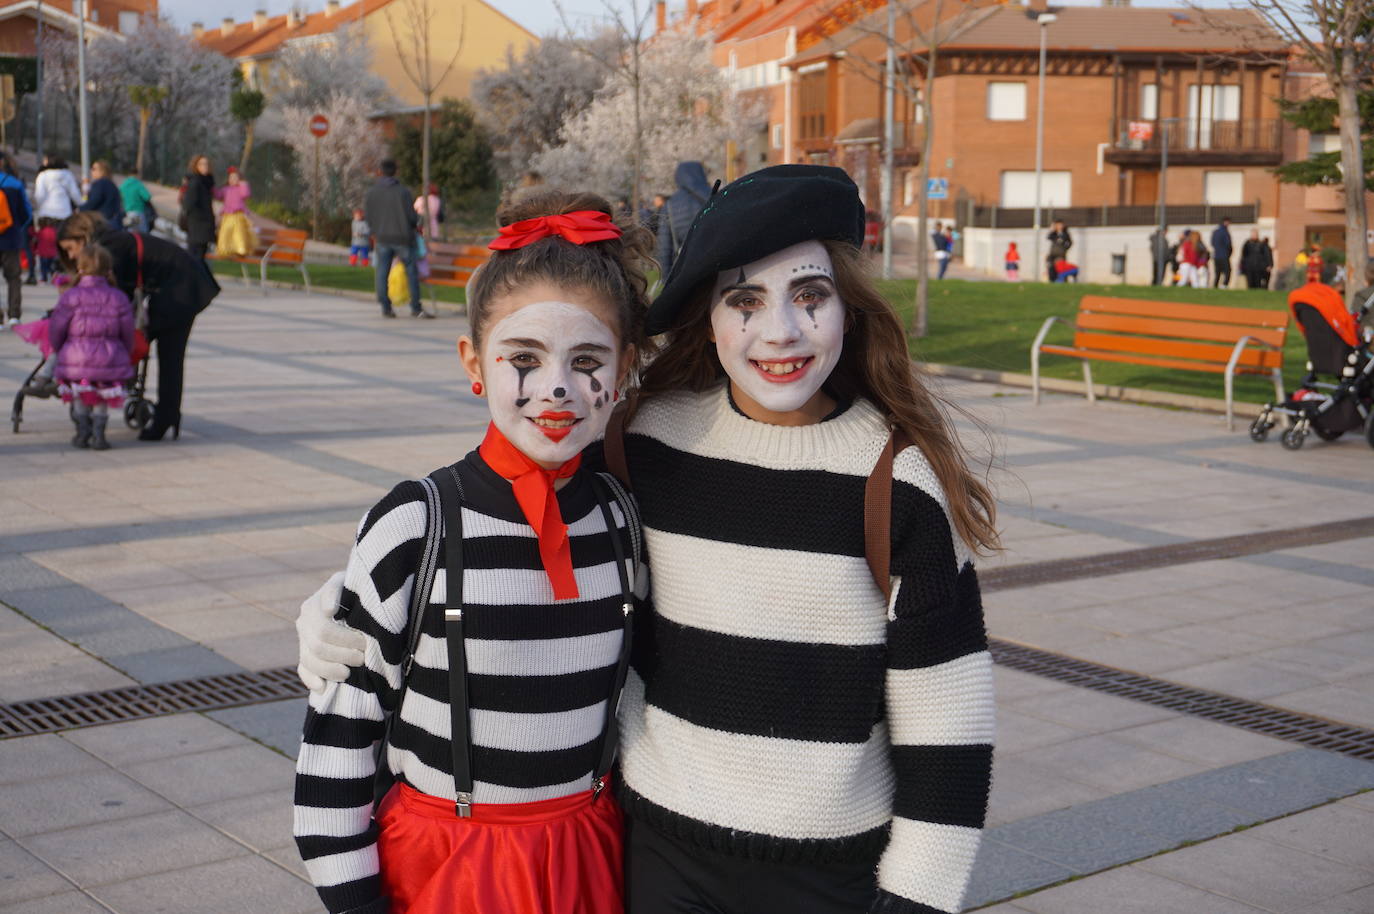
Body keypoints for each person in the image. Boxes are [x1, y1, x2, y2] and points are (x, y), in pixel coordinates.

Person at [299, 165, 998, 914]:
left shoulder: (898, 482)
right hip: (656, 857)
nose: (780, 332)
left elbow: (950, 721)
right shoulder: (647, 443)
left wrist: (919, 894)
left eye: (810, 296)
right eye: (745, 301)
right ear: (711, 318)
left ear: (847, 308)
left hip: (830, 872)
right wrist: (337, 606)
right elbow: (506, 495)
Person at [292, 190, 650, 914]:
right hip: (449, 867)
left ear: (625, 370)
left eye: (587, 360)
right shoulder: (415, 524)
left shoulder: (620, 518)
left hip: (588, 856)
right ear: (474, 362)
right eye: (524, 357)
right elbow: (335, 751)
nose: (556, 387)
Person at [57, 212, 220, 441]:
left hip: (181, 288)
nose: (71, 256)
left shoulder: (108, 247)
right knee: (160, 351)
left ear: (81, 237)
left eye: (71, 248)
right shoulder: (110, 241)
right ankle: (165, 411)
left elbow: (111, 297)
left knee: (165, 352)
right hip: (182, 283)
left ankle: (164, 413)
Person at [48, 244, 135, 450]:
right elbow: (128, 331)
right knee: (101, 396)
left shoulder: (70, 296)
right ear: (108, 270)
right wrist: (125, 350)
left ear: (79, 269)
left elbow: (57, 327)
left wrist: (59, 347)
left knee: (80, 393)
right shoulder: (118, 297)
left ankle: (82, 433)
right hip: (109, 355)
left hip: (75, 355)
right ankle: (99, 435)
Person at [365, 159, 427, 318]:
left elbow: (368, 216)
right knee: (411, 272)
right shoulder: (403, 192)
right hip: (403, 237)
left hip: (382, 237)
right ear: (396, 171)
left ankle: (385, 306)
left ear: (380, 171)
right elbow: (412, 217)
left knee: (382, 272)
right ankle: (415, 306)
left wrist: (375, 230)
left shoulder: (372, 192)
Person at [656, 161, 711, 277]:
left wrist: (666, 278)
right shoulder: (714, 196)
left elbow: (664, 246)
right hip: (712, 263)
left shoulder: (670, 205)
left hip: (684, 267)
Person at [0, 152, 32, 328]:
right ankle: (14, 315)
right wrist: (17, 229)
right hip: (10, 239)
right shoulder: (14, 184)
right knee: (13, 278)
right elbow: (26, 213)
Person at [214, 167, 256, 258]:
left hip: (238, 215)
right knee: (225, 232)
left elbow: (246, 194)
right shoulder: (225, 189)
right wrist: (213, 189)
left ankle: (241, 249)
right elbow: (218, 195)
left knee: (239, 232)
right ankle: (224, 249)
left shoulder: (241, 188)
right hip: (227, 215)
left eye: (235, 178)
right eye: (231, 177)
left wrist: (243, 184)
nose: (233, 180)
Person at [181, 155, 216, 261]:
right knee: (195, 258)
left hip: (205, 226)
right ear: (195, 166)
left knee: (200, 257)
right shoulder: (195, 182)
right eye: (201, 164)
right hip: (197, 226)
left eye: (206, 164)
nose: (205, 166)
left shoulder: (207, 182)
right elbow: (188, 205)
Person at [32, 156, 81, 225]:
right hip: (65, 213)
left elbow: (40, 196)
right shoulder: (68, 175)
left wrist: (37, 208)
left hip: (47, 213)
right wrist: (82, 204)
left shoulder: (43, 175)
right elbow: (75, 194)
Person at [1211, 218, 1233, 288]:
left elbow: (1212, 243)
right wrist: (1229, 253)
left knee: (1217, 272)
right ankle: (1224, 285)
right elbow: (1228, 244)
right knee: (1228, 271)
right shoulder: (1225, 232)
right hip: (1224, 255)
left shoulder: (1215, 232)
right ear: (1226, 222)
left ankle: (1215, 285)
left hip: (1216, 256)